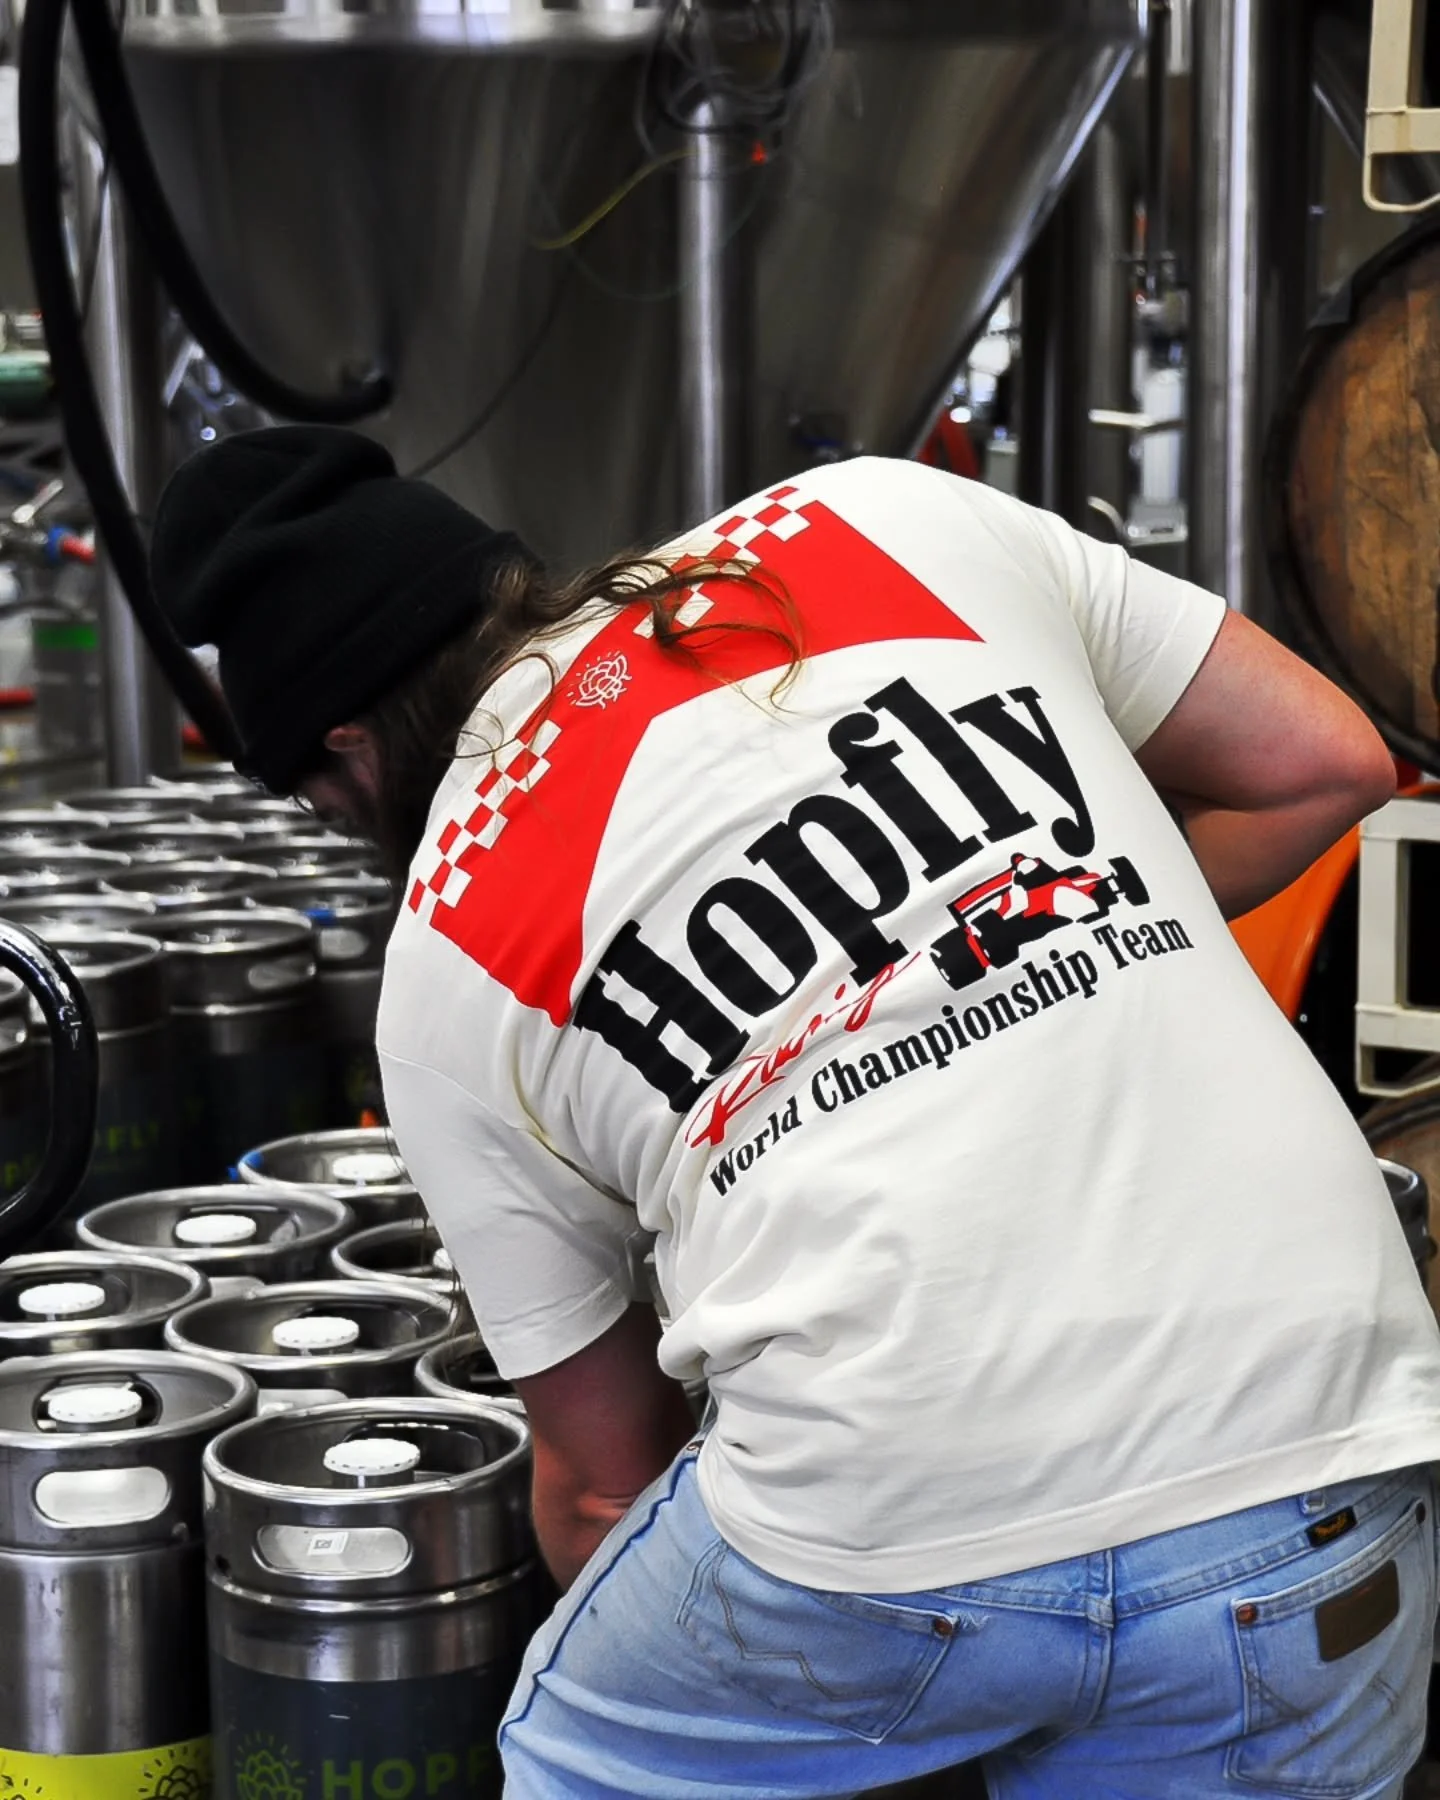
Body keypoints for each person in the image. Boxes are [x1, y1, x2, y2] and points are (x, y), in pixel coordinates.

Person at [151, 425, 1440, 1800]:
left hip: (894, 1528)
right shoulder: (875, 520)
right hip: (1331, 1460)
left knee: (575, 1757)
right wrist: (1012, 934)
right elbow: (1326, 763)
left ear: (345, 747)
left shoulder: (446, 951)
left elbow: (602, 1487)